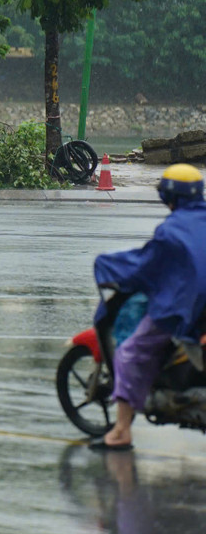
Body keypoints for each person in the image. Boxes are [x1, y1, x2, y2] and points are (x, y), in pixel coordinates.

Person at [90, 164, 206, 451]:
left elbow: (144, 266)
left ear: (170, 198)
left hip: (184, 311)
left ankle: (120, 432)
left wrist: (106, 267)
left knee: (130, 354)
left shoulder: (171, 231)